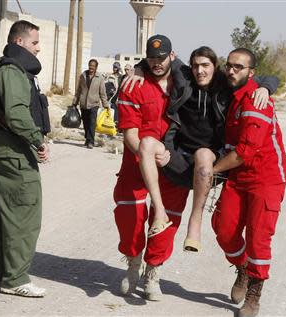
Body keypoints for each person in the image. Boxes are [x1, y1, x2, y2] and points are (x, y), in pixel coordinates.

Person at [131, 46, 279, 252]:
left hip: (211, 163)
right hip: (179, 156)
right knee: (146, 143)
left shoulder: (226, 83)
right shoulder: (184, 76)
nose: (199, 71)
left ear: (215, 67)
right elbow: (159, 61)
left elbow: (267, 77)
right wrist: (138, 68)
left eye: (205, 66)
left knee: (202, 154)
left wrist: (265, 88)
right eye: (195, 66)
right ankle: (160, 213)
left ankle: (195, 223)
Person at [211, 48, 286, 317]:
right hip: (239, 176)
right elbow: (188, 69)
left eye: (238, 67)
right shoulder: (233, 92)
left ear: (250, 73)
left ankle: (254, 293)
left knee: (258, 238)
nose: (231, 70)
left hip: (266, 179)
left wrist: (210, 171)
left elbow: (245, 151)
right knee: (223, 228)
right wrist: (139, 68)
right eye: (229, 65)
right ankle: (243, 268)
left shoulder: (256, 99)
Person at [113, 34, 190, 301]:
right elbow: (130, 134)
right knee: (128, 214)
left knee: (168, 217)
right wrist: (146, 155)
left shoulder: (186, 81)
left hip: (170, 161)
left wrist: (265, 85)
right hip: (137, 160)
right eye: (151, 58)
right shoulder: (133, 85)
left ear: (172, 55)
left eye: (162, 57)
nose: (156, 63)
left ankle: (153, 271)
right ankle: (133, 262)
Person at [0, 20, 50, 297]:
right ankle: (15, 279)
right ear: (19, 42)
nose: (38, 48)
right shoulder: (11, 70)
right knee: (24, 214)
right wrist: (38, 140)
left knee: (2, 213)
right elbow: (16, 114)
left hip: (5, 150)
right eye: (35, 42)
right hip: (14, 152)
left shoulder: (7, 68)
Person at [72, 59, 109, 148]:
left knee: (92, 122)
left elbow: (102, 93)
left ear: (96, 67)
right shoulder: (83, 76)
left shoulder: (99, 78)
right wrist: (74, 102)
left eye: (93, 66)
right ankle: (87, 139)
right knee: (85, 123)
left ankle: (91, 141)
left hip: (94, 104)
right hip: (83, 104)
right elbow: (79, 90)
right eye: (90, 65)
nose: (91, 67)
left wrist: (106, 105)